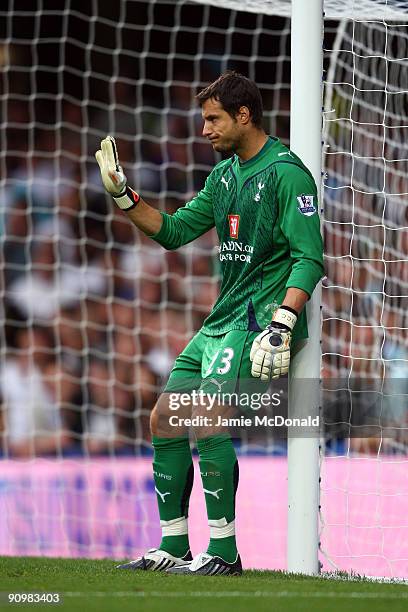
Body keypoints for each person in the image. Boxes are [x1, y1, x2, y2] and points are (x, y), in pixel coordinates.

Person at [95, 71, 324, 575]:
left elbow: (309, 258)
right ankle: (174, 545)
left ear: (244, 116)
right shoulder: (221, 178)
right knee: (165, 419)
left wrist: (283, 322)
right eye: (204, 120)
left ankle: (224, 551)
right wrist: (123, 195)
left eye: (213, 119)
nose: (205, 130)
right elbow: (174, 232)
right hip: (221, 319)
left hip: (259, 321)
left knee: (206, 417)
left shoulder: (289, 174)